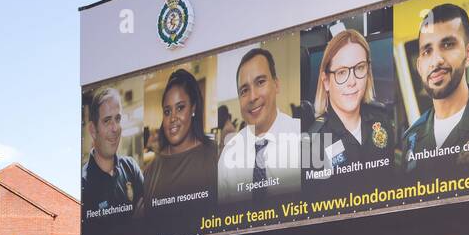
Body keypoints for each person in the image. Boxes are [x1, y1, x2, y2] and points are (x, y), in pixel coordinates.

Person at [400, 3, 469, 172]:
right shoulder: (411, 139)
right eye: (426, 51)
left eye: (447, 45)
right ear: (419, 66)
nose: (436, 60)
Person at [218, 47, 303, 201]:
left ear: (276, 85)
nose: (252, 97)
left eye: (260, 82)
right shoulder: (229, 153)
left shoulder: (303, 136)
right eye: (244, 90)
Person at [306, 29, 394, 177]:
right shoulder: (312, 143)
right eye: (341, 72)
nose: (352, 82)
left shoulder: (382, 120)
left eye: (359, 68)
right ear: (326, 81)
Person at [140, 69, 216, 210]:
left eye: (180, 108)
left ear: (193, 108)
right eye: (167, 111)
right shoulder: (151, 171)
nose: (172, 118)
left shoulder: (215, 155)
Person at [80, 87, 144, 215]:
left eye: (118, 119)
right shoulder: (83, 184)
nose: (115, 128)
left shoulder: (130, 168)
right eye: (107, 121)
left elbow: (148, 213)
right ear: (93, 130)